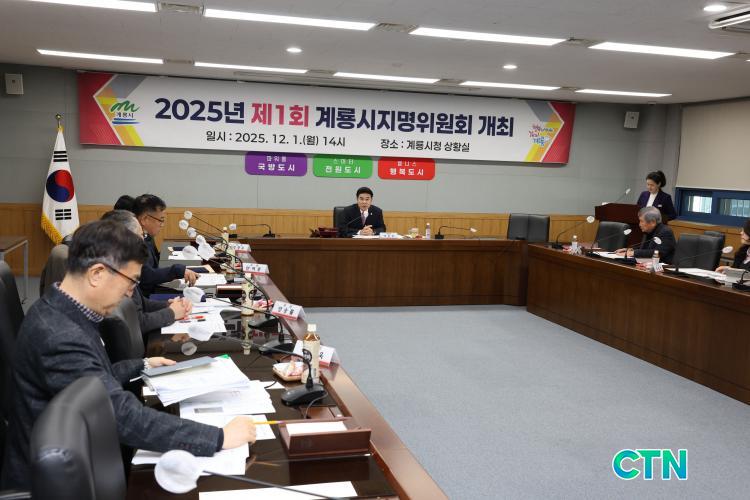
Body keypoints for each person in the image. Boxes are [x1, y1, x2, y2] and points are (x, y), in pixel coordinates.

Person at [1, 221, 256, 490]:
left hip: (85, 454)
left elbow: (89, 382)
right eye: (131, 281)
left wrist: (142, 364)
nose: (129, 293)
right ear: (97, 273)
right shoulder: (59, 335)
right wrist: (219, 437)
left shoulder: (61, 309)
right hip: (59, 485)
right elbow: (122, 416)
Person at [101, 209, 192, 336]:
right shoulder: (114, 271)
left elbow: (142, 304)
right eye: (140, 235)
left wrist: (169, 305)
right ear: (123, 238)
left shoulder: (124, 263)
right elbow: (138, 322)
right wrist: (171, 313)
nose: (143, 240)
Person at [132, 194, 197, 295]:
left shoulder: (147, 236)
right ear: (144, 219)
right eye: (160, 220)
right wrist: (177, 270)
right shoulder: (133, 241)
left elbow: (154, 263)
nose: (162, 225)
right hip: (146, 296)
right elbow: (146, 276)